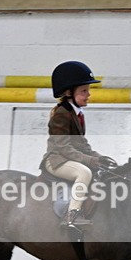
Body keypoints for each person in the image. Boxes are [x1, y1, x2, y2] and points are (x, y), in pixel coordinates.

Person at [39, 61, 117, 228]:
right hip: (57, 160)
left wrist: (99, 158)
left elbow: (82, 145)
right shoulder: (61, 114)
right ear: (69, 92)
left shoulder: (77, 113)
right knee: (84, 173)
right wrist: (89, 162)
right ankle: (71, 215)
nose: (88, 94)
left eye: (88, 90)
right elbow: (64, 147)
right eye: (84, 91)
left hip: (67, 158)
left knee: (100, 172)